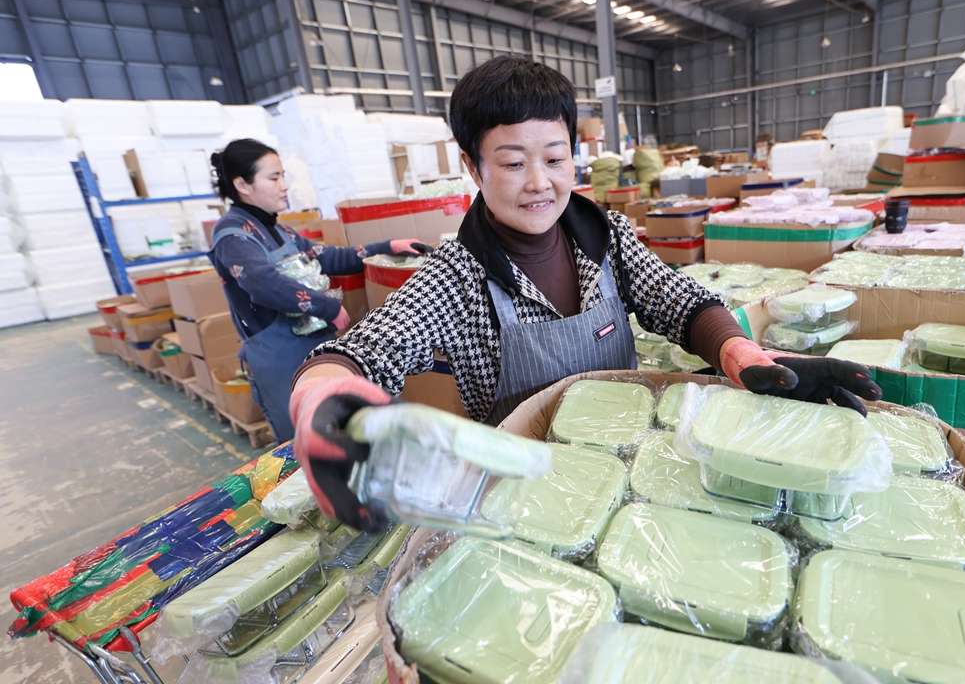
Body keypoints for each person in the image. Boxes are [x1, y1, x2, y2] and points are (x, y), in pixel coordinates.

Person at [288, 55, 883, 532]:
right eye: (514, 163)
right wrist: (322, 402)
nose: (541, 183)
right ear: (473, 168)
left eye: (555, 157)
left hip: (639, 484)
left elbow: (675, 300)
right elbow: (364, 351)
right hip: (528, 507)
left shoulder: (605, 236)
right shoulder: (456, 278)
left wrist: (738, 353)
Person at [207, 139, 432, 443]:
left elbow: (326, 257)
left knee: (338, 434)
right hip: (279, 358)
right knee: (303, 440)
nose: (285, 186)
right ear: (242, 185)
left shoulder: (278, 230)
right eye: (274, 178)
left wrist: (388, 248)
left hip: (315, 348)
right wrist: (327, 307)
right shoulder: (232, 233)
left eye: (283, 175)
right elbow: (261, 283)